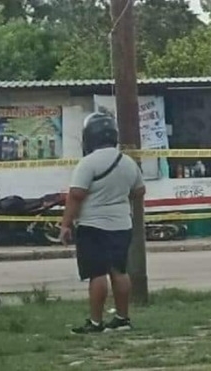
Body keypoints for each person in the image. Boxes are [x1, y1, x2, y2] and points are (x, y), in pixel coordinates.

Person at [60, 112, 146, 334]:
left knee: (96, 274)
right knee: (119, 271)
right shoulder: (127, 162)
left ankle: (96, 323)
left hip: (93, 226)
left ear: (89, 137)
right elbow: (139, 191)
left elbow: (76, 195)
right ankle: (122, 318)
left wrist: (66, 224)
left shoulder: (88, 163)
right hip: (122, 225)